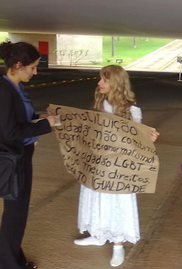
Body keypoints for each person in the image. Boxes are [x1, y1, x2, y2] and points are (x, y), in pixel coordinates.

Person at [73, 65, 159, 267]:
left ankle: (118, 245)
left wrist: (149, 138)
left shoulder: (131, 111)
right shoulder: (99, 105)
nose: (99, 83)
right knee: (96, 198)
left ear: (116, 83)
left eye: (104, 80)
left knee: (117, 202)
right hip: (98, 165)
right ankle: (97, 234)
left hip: (119, 169)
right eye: (100, 79)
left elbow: (136, 140)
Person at [0, 41, 58, 269]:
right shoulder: (4, 92)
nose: (35, 72)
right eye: (32, 67)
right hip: (11, 160)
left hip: (21, 157)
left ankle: (15, 262)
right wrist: (44, 126)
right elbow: (11, 132)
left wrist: (42, 118)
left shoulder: (16, 88)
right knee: (14, 216)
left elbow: (21, 119)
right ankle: (8, 266)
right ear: (18, 65)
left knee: (18, 215)